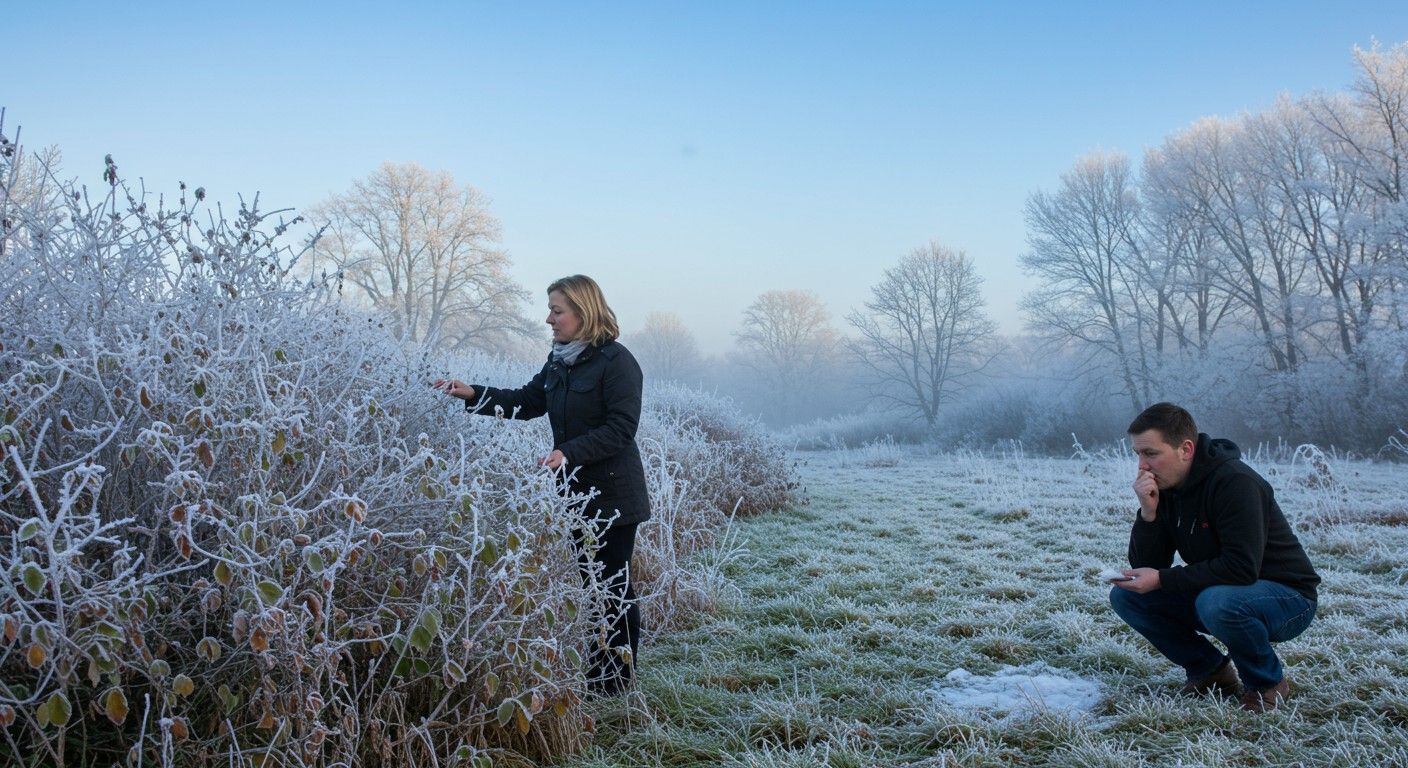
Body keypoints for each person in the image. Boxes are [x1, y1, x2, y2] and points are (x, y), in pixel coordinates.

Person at [433, 275, 649, 696]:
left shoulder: (617, 362)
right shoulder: (559, 362)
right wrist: (473, 393)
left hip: (615, 494)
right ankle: (598, 672)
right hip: (575, 494)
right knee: (592, 585)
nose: (548, 319)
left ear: (583, 313)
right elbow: (527, 402)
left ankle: (617, 683)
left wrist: (569, 452)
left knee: (613, 586)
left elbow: (621, 428)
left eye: (557, 310)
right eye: (550, 309)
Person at [1109, 403, 1320, 713]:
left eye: (1151, 453)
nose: (1142, 466)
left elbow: (1241, 568)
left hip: (1288, 598)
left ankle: (1266, 683)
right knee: (1128, 597)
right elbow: (1151, 567)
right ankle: (1211, 672)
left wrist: (1163, 579)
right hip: (1223, 590)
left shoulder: (1236, 482)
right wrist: (1149, 513)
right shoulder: (1166, 488)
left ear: (1186, 449)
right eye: (1137, 454)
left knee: (1218, 602)